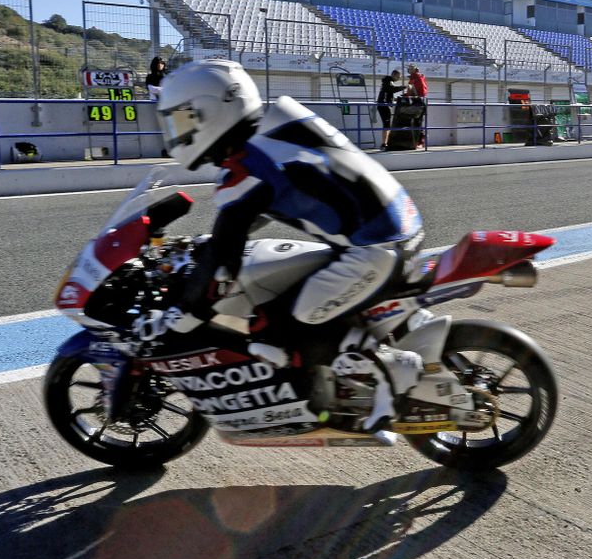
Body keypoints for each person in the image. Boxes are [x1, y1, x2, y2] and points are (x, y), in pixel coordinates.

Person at [153, 59, 426, 429]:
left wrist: (187, 312)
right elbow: (260, 209)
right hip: (396, 229)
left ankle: (387, 383)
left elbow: (225, 253)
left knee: (283, 326)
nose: (178, 132)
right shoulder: (277, 130)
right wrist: (213, 241)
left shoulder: (246, 168)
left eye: (183, 120)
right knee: (289, 305)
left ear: (211, 111)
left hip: (375, 250)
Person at [375, 69, 401, 150]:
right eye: (398, 77)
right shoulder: (389, 81)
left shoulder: (387, 81)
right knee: (386, 125)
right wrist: (404, 87)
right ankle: (384, 144)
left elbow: (388, 93)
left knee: (387, 125)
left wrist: (395, 99)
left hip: (384, 105)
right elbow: (392, 90)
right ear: (394, 75)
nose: (398, 79)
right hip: (384, 105)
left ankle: (385, 143)